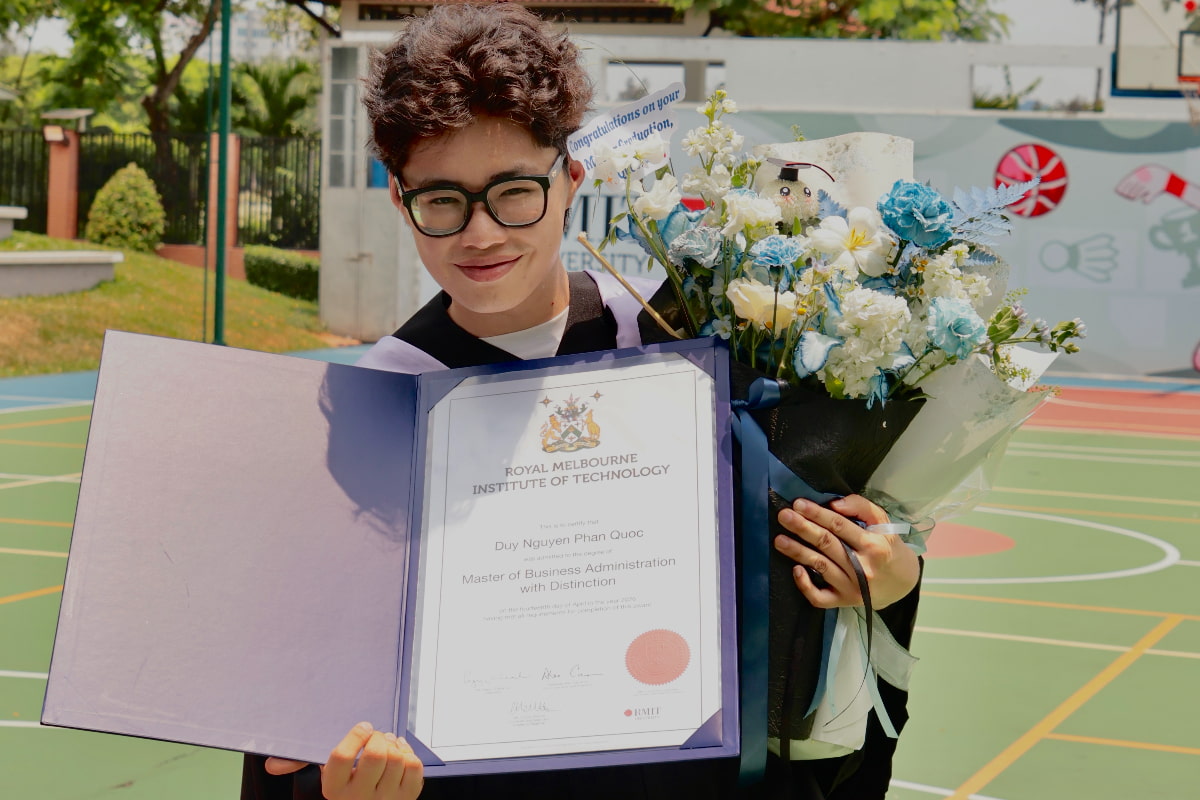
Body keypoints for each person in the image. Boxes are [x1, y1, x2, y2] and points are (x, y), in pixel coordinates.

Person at [240, 5, 920, 799]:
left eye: (514, 191)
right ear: (399, 200)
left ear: (571, 179)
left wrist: (885, 579)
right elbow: (301, 721)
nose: (481, 234)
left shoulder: (679, 346)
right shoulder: (374, 413)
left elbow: (781, 608)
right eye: (442, 201)